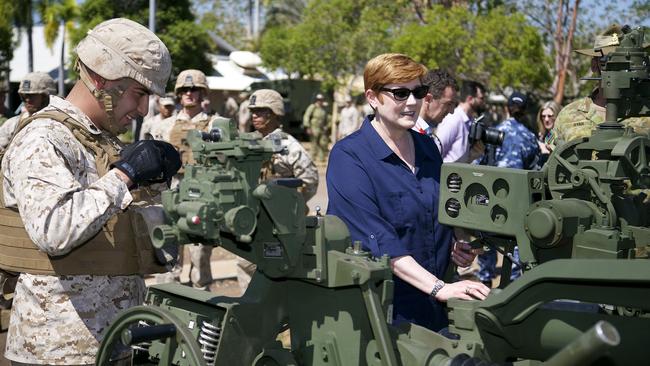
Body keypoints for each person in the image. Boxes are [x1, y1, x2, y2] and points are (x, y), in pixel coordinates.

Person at [0, 18, 181, 365]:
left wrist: (161, 190)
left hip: (110, 340)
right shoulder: (43, 139)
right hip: (56, 350)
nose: (144, 110)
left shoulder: (102, 142)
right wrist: (125, 175)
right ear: (101, 78)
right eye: (139, 93)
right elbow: (54, 229)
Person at [327, 53, 488, 333]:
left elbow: (439, 210)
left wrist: (457, 243)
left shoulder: (427, 148)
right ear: (373, 97)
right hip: (382, 312)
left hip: (435, 307)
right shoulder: (349, 157)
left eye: (419, 92)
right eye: (400, 93)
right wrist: (439, 288)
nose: (412, 102)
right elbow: (379, 241)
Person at [153, 69, 214, 290]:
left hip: (201, 196)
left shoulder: (215, 125)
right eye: (185, 90)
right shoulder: (163, 126)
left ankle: (204, 304)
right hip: (170, 193)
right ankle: (166, 303)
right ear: (179, 93)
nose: (189, 93)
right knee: (168, 253)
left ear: (202, 93)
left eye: (194, 89)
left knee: (200, 256)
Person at [475, 91, 541, 287]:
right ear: (525, 111)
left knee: (486, 237)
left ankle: (485, 279)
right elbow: (534, 168)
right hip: (518, 199)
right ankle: (513, 282)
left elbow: (482, 162)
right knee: (519, 239)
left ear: (506, 108)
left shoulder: (493, 132)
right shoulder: (529, 137)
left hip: (492, 194)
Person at [550, 23, 650, 148]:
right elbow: (554, 158)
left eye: (625, 60)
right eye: (608, 60)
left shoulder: (645, 113)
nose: (617, 67)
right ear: (594, 65)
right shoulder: (568, 115)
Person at [0, 72, 56, 150]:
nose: (27, 100)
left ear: (45, 97)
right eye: (24, 96)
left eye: (32, 95)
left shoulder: (59, 124)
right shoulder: (12, 124)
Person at [435, 80, 487, 163]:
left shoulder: (469, 121)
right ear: (470, 99)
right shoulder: (454, 119)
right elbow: (436, 152)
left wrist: (472, 156)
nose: (484, 102)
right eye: (481, 98)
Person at [413, 69, 458, 153]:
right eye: (448, 104)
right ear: (428, 99)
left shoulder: (425, 133)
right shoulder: (410, 135)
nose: (452, 111)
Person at [303, 93, 330, 162]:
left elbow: (327, 118)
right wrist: (308, 127)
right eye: (318, 99)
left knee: (322, 143)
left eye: (321, 100)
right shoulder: (312, 107)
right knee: (314, 144)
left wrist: (327, 126)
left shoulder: (323, 108)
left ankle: (321, 159)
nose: (320, 101)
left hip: (322, 128)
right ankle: (312, 159)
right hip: (314, 128)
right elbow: (306, 116)